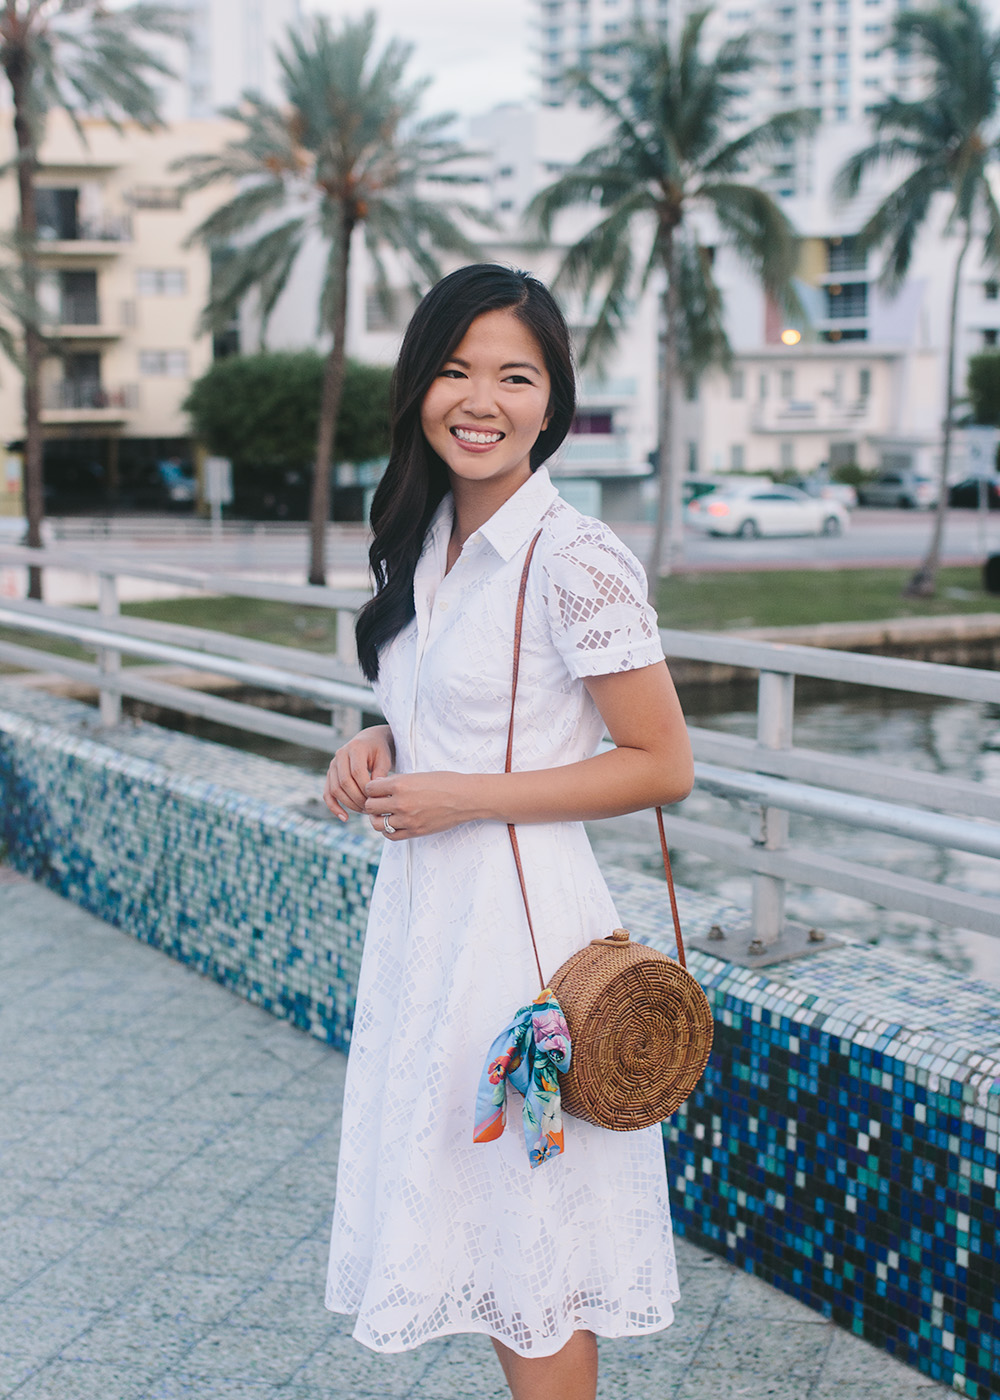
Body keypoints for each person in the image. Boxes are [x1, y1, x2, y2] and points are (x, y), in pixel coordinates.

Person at [323, 264, 694, 1400]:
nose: (480, 400)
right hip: (430, 932)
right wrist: (380, 743)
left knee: (535, 1249)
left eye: (515, 376)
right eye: (455, 370)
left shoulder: (575, 557)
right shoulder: (424, 537)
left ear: (552, 403)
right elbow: (455, 711)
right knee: (482, 1231)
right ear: (418, 387)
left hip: (524, 948)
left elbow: (662, 763)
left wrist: (467, 793)